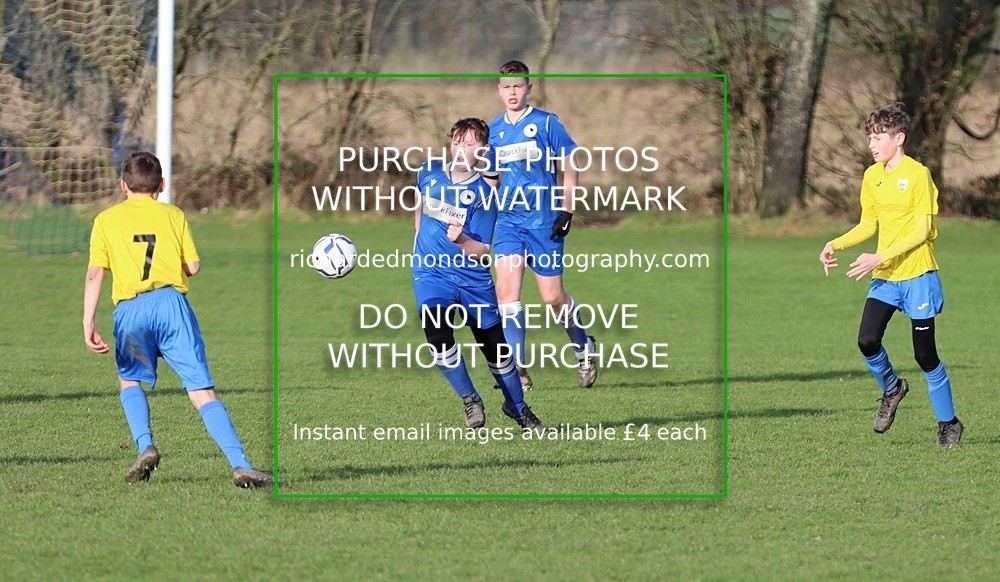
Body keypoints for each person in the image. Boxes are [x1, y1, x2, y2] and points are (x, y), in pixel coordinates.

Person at [82, 151, 274, 487]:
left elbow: (96, 272)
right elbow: (193, 267)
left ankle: (145, 446)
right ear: (162, 185)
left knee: (129, 380)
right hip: (172, 306)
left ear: (122, 186)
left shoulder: (106, 220)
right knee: (202, 391)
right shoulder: (174, 215)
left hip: (131, 310)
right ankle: (240, 464)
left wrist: (88, 321)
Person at [819, 102, 962, 447]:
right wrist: (834, 244)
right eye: (869, 137)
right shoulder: (872, 176)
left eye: (878, 137)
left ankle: (949, 423)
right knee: (867, 340)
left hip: (918, 276)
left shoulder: (918, 175)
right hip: (886, 276)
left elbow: (921, 231)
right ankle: (893, 388)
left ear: (899, 138)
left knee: (925, 356)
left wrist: (879, 255)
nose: (871, 144)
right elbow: (869, 223)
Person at [413, 118, 545, 435]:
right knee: (437, 334)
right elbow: (419, 207)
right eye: (457, 141)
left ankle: (518, 408)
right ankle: (470, 399)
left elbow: (482, 250)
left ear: (483, 151)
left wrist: (461, 240)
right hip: (431, 274)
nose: (461, 149)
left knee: (497, 354)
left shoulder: (484, 194)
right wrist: (417, 239)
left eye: (470, 144)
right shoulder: (427, 173)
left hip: (473, 281)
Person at [485, 59, 597, 391]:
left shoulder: (547, 124)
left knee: (552, 298)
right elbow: (491, 181)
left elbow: (570, 163)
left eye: (518, 86)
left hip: (544, 222)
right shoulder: (493, 131)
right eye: (506, 87)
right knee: (507, 295)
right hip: (508, 223)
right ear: (498, 90)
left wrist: (567, 210)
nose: (512, 92)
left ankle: (583, 346)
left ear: (529, 88)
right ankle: (517, 370)